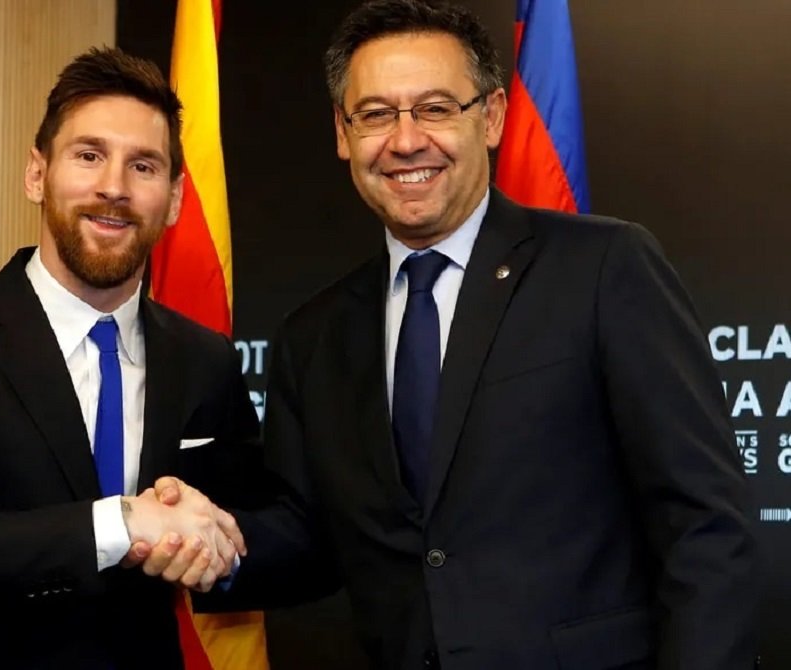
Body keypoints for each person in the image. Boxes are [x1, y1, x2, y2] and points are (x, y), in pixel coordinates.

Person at [138, 1, 759, 668]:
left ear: (490, 117)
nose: (406, 141)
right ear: (343, 133)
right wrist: (211, 541)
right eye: (376, 114)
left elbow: (705, 524)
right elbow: (312, 541)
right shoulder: (314, 336)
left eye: (435, 108)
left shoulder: (604, 268)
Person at [0, 47, 258, 669]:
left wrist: (213, 548)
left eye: (144, 166)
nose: (114, 187)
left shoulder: (206, 359)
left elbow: (244, 523)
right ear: (36, 174)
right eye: (89, 155)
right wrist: (122, 523)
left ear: (175, 198)